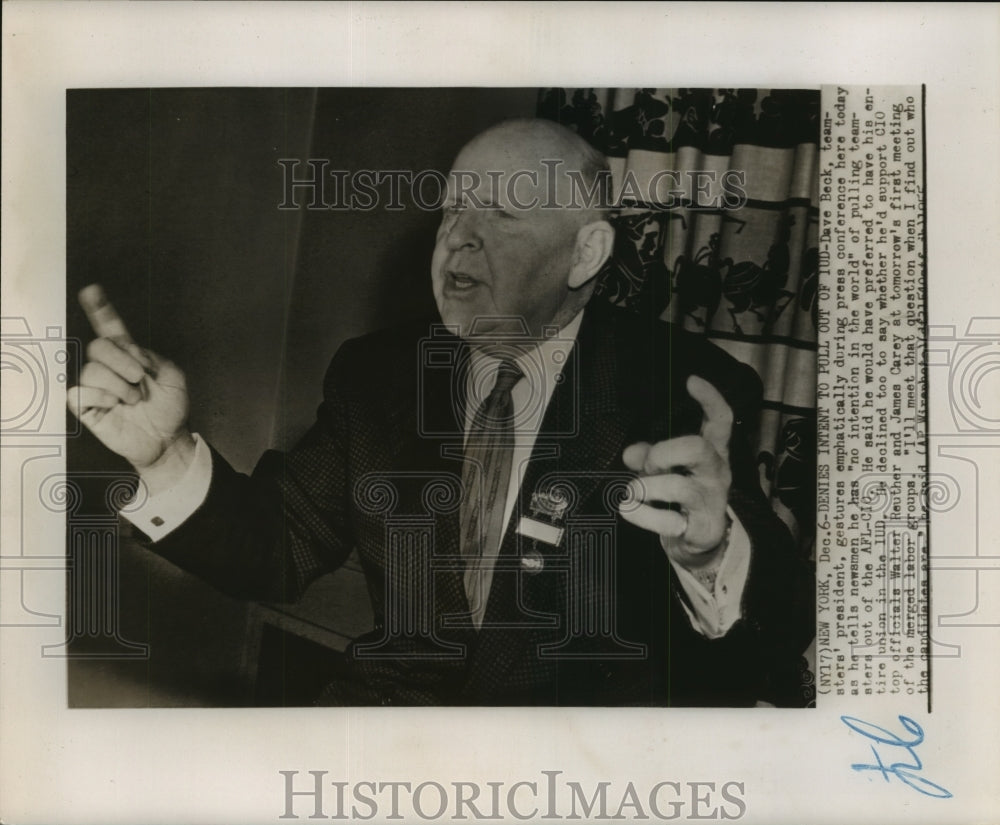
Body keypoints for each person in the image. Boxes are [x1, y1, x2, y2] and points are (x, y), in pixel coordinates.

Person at [69, 118, 814, 706]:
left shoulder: (686, 385)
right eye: (453, 207)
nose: (459, 236)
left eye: (501, 214)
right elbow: (279, 548)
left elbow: (776, 636)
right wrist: (161, 455)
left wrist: (711, 555)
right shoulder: (377, 375)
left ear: (585, 254)